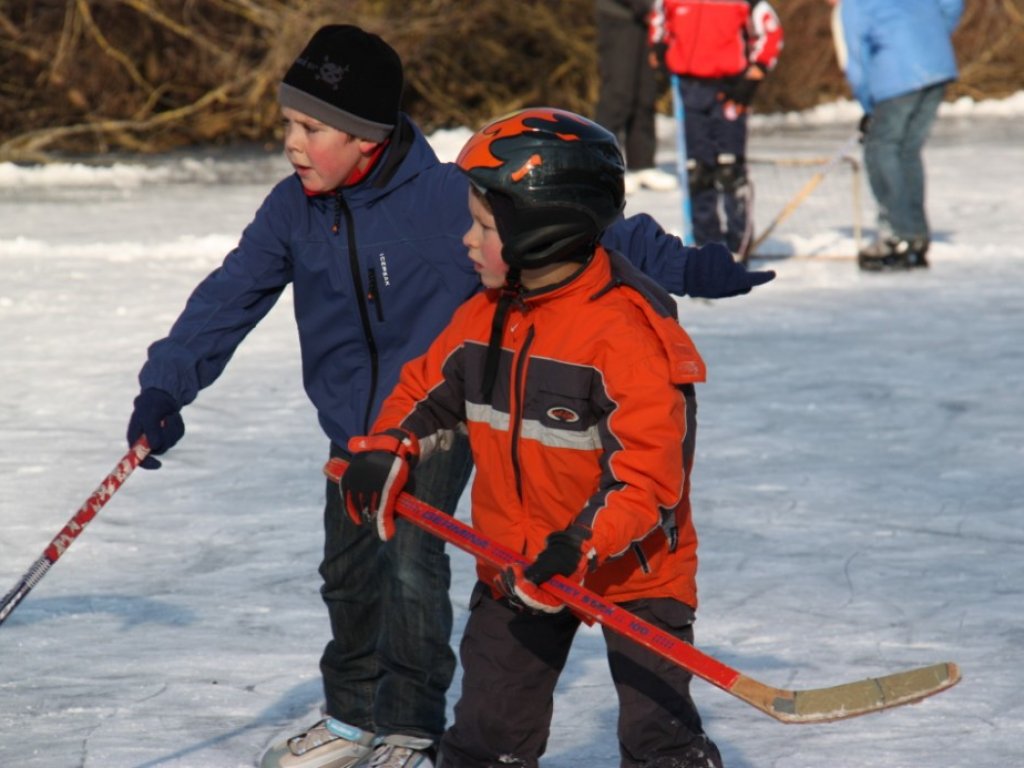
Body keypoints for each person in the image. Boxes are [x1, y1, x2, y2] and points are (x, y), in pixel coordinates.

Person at [124, 25, 768, 768]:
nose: (291, 142)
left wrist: (691, 267)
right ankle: (354, 713)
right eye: (288, 123)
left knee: (409, 568)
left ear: (366, 139)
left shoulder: (443, 201)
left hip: (468, 421)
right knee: (349, 573)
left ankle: (408, 722)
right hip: (372, 428)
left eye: (310, 127)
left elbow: (592, 227)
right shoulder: (293, 210)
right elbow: (227, 299)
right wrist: (167, 386)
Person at [340, 107, 723, 768]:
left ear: (542, 231)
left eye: (483, 226)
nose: (466, 240)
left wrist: (580, 544)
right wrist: (386, 451)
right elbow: (423, 390)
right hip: (517, 561)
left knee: (657, 738)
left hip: (635, 568)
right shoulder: (484, 316)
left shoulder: (628, 339)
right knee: (489, 734)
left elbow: (651, 479)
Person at [829, 0, 962, 271]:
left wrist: (869, 106)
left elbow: (855, 62)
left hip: (897, 76)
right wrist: (931, 35)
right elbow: (952, 3)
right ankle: (915, 237)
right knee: (907, 150)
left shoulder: (851, 7)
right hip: (937, 67)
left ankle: (898, 235)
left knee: (881, 150)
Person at [649, 0, 784, 258]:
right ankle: (706, 244)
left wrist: (754, 75)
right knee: (698, 170)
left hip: (730, 88)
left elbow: (772, 31)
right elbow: (659, 22)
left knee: (730, 170)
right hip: (689, 87)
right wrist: (659, 48)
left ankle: (737, 246)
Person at [594, 0, 678, 195]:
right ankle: (603, 167)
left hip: (648, 20)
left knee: (645, 94)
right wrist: (646, 6)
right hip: (620, 16)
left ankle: (642, 164)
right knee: (618, 93)